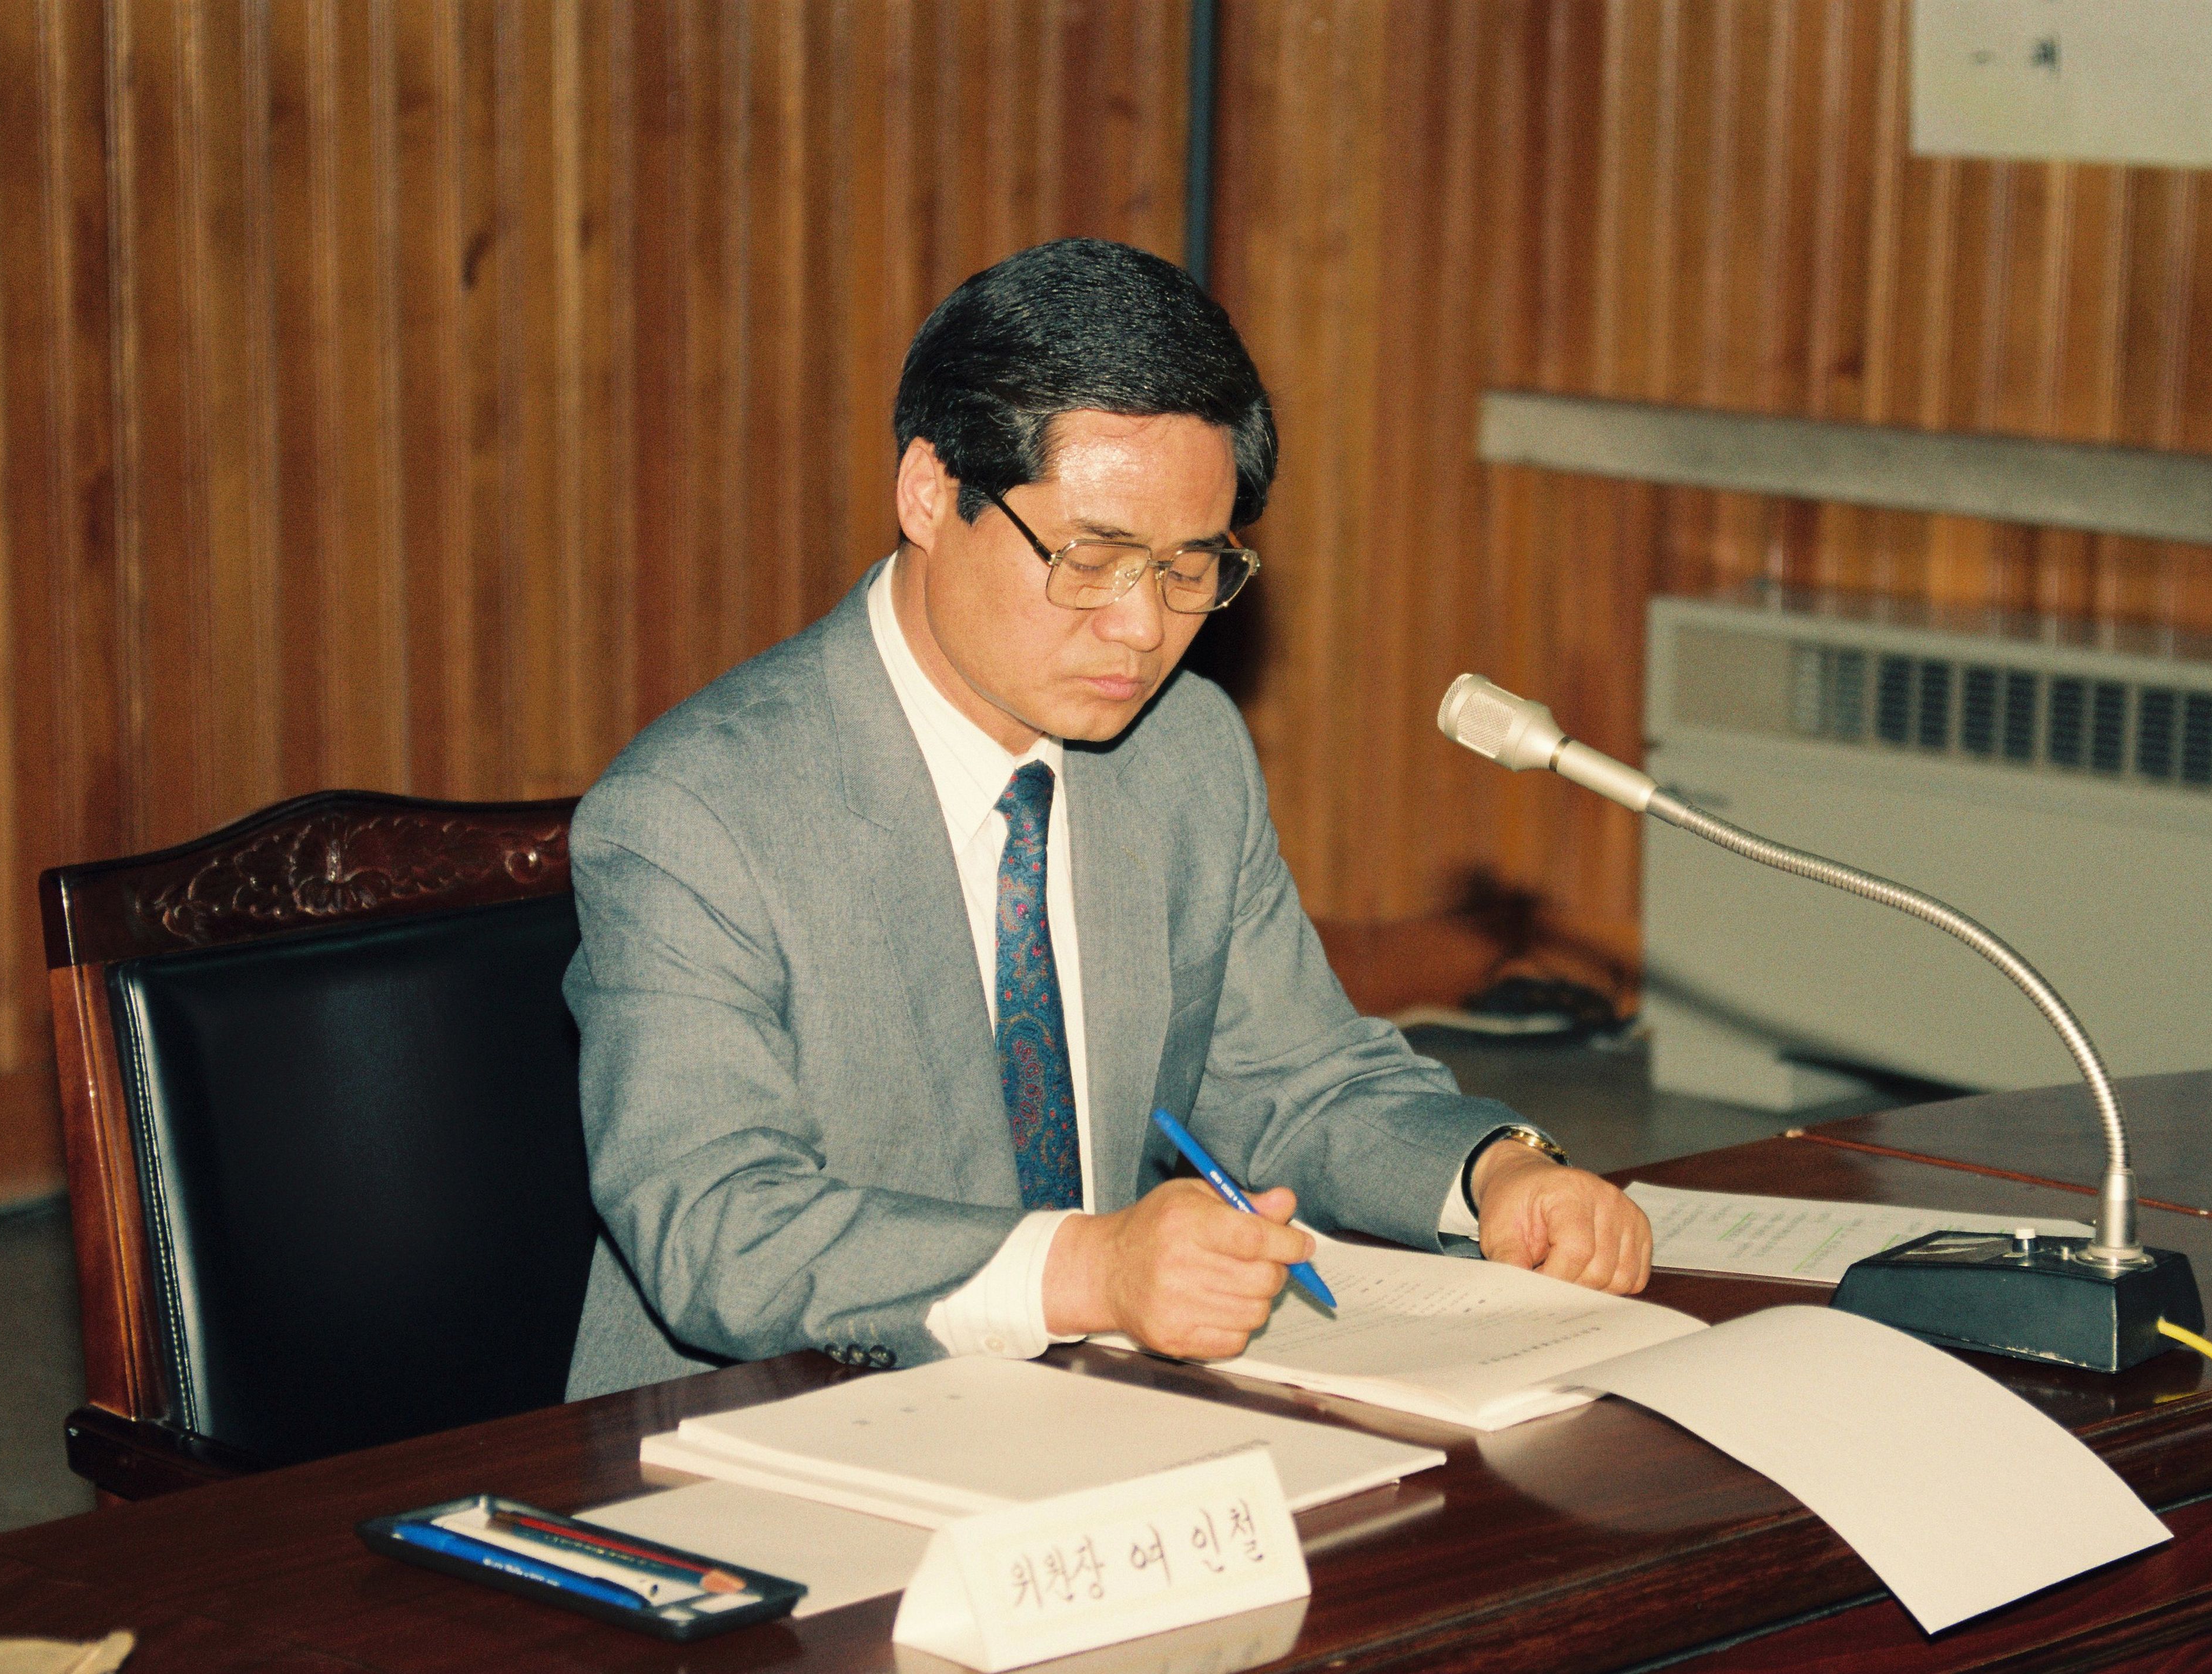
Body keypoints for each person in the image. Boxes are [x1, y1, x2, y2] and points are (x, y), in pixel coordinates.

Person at [563, 238, 1651, 1399]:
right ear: (929, 493)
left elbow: (1294, 1075)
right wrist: (1094, 1269)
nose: (1142, 628)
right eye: (1092, 559)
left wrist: (1494, 1173)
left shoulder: (1183, 752)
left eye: (1192, 568)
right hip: (767, 1428)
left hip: (1096, 1407)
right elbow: (714, 1225)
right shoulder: (696, 815)